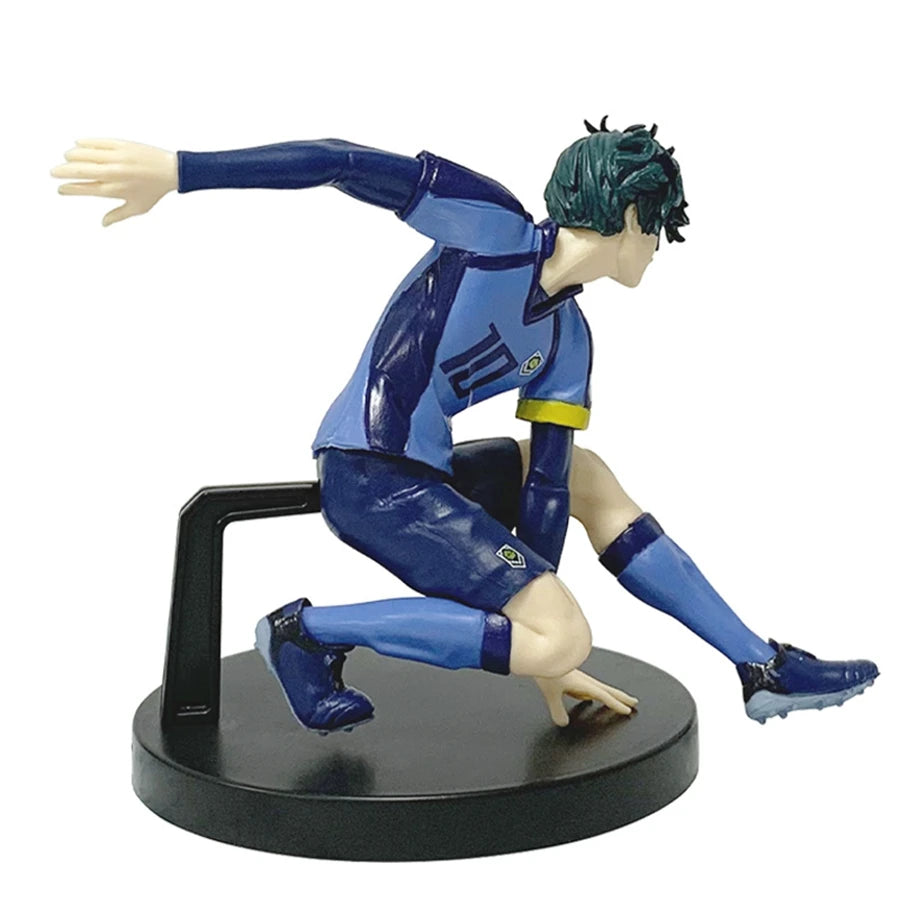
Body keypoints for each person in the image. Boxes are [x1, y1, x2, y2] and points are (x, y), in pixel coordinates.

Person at [53, 119, 878, 732]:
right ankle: (303, 632)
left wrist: (536, 638)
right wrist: (182, 171)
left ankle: (758, 663)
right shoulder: (491, 230)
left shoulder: (569, 338)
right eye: (660, 227)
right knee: (561, 635)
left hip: (432, 474)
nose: (659, 247)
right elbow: (341, 162)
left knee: (585, 481)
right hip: (370, 471)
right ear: (632, 214)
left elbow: (548, 487)